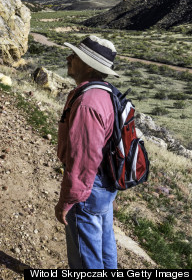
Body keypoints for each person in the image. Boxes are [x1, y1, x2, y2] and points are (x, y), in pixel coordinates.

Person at [54, 35, 120, 269]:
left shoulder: (87, 103)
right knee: (104, 248)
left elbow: (82, 162)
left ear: (89, 65)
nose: (69, 58)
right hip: (104, 182)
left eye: (76, 56)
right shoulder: (105, 91)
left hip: (88, 189)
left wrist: (67, 201)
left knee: (86, 259)